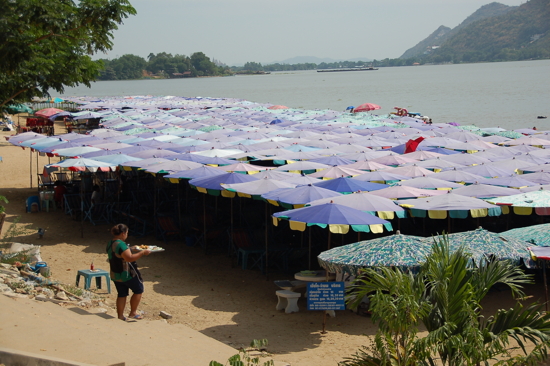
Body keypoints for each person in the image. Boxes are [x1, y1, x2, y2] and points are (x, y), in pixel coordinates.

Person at [106, 224, 151, 321]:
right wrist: (142, 253)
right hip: (126, 274)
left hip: (115, 274)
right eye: (126, 233)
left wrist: (130, 249)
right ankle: (133, 312)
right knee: (138, 290)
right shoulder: (121, 244)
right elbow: (129, 258)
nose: (127, 235)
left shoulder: (110, 243)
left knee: (122, 294)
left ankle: (120, 316)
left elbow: (118, 253)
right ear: (123, 233)